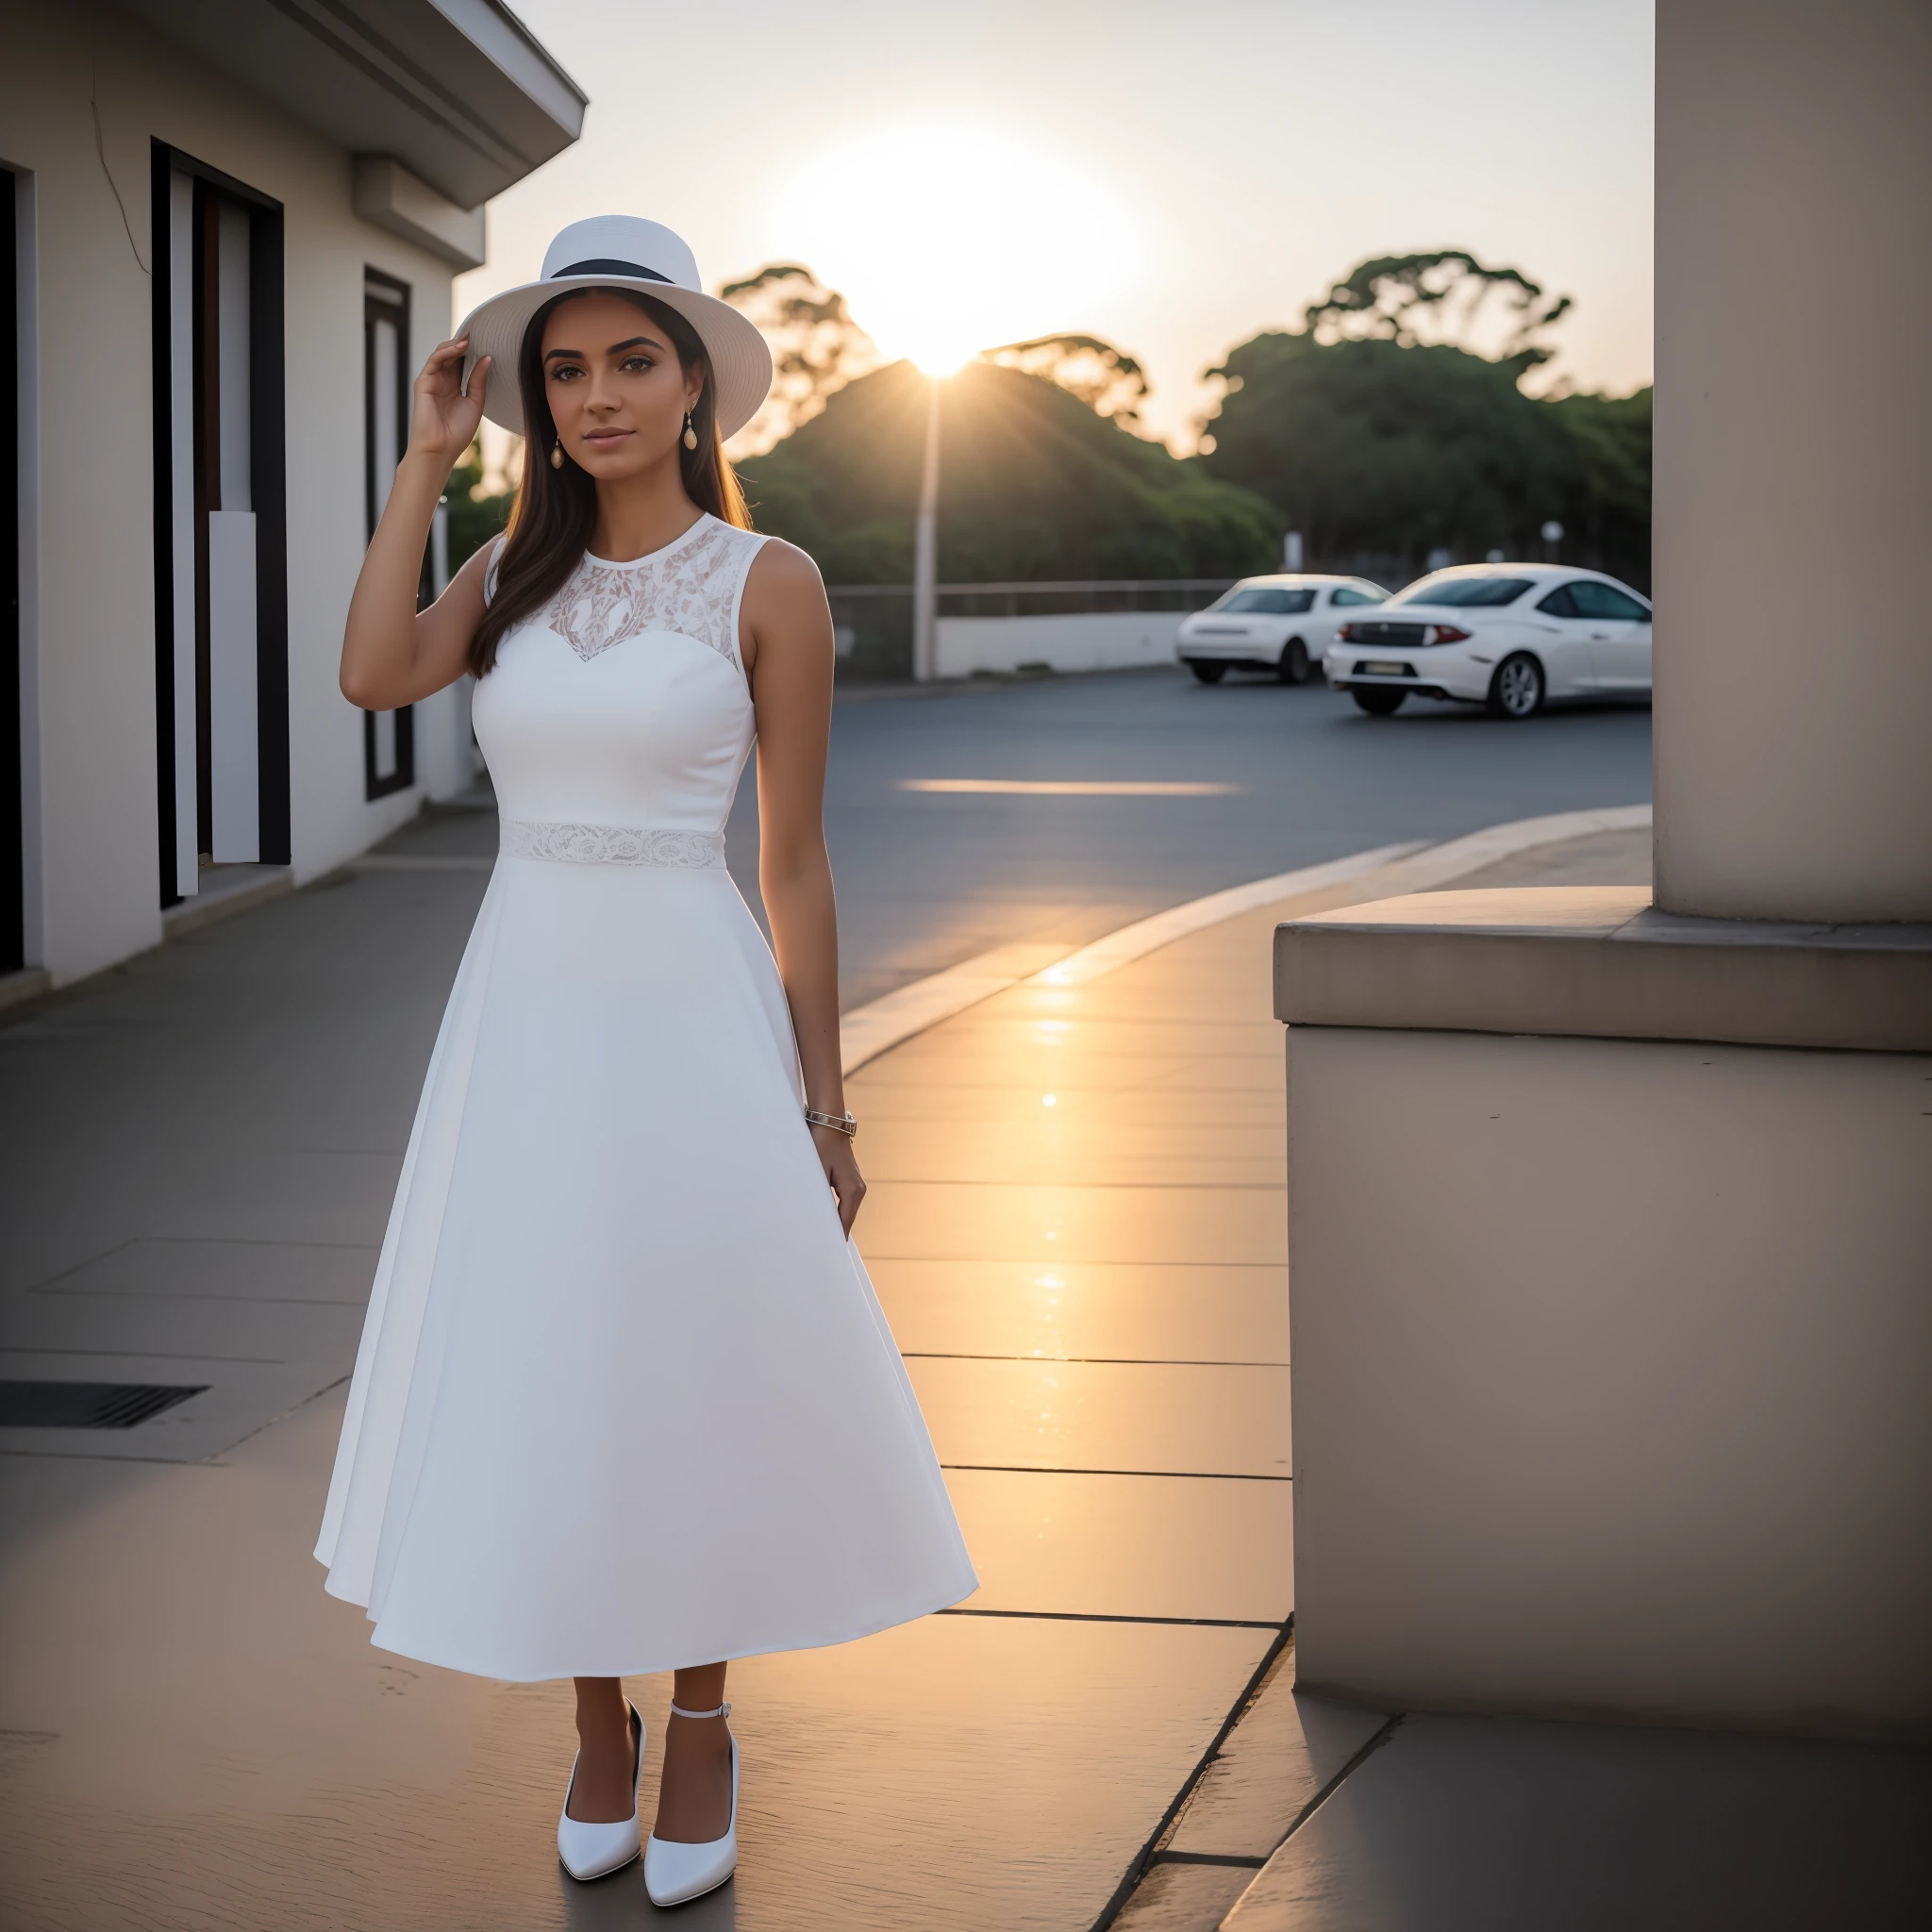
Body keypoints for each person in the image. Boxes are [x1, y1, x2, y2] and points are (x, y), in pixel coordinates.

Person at [314, 216, 975, 1907]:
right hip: (523, 1013)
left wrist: (828, 1102)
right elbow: (372, 670)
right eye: (565, 368)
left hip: (691, 1009)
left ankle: (699, 1723)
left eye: (630, 360)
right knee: (552, 1358)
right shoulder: (511, 574)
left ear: (694, 387)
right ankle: (593, 1725)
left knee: (687, 1356)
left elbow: (800, 861)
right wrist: (424, 463)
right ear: (531, 396)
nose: (596, 395)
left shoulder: (772, 584)